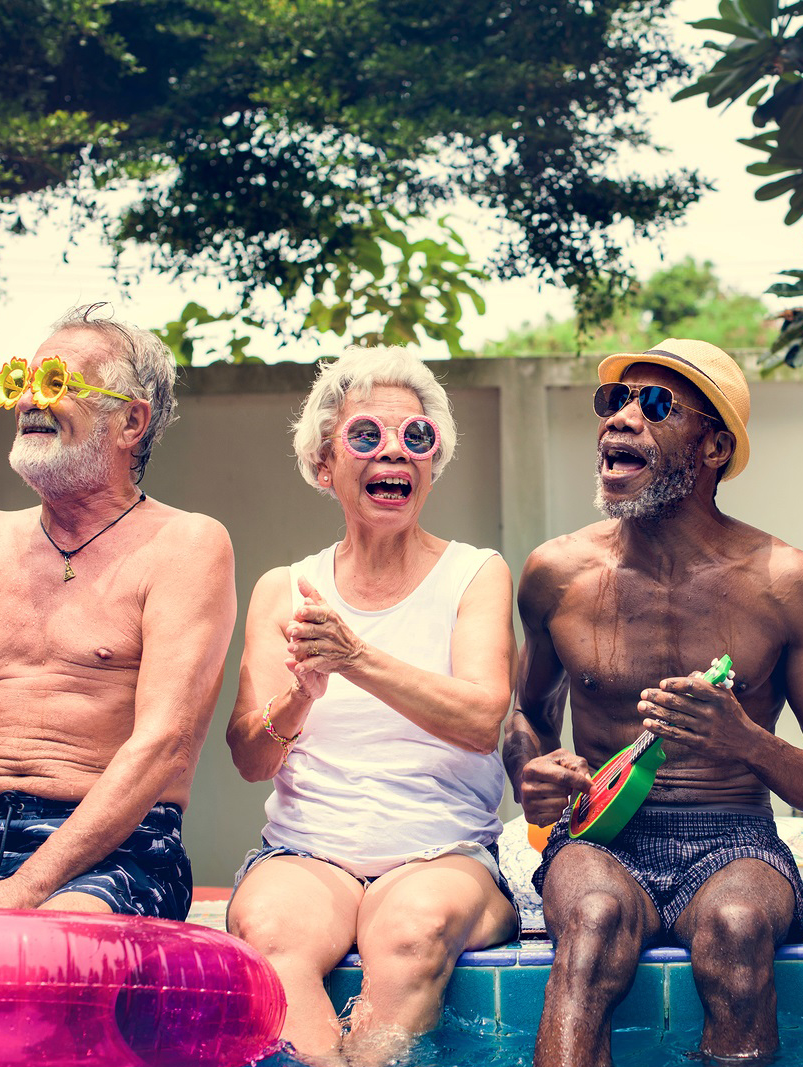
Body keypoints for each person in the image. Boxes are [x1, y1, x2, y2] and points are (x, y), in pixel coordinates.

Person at [504, 338, 803, 1067]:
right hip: (601, 838)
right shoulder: (556, 573)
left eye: (656, 404)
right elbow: (527, 718)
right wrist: (533, 774)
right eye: (615, 401)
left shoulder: (786, 581)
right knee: (594, 921)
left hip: (735, 835)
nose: (621, 419)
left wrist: (747, 741)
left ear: (714, 445)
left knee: (736, 927)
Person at [0, 304, 234, 919]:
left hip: (123, 850)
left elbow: (163, 742)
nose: (30, 401)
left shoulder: (186, 545)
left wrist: (25, 889)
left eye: (57, 383)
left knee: (61, 939)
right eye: (22, 381)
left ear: (130, 423)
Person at [225, 346, 518, 1067]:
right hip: (307, 850)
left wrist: (357, 658)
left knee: (412, 932)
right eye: (366, 436)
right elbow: (249, 757)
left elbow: (484, 720)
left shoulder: (474, 574)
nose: (395, 452)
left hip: (441, 848)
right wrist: (301, 695)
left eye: (417, 437)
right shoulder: (285, 587)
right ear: (326, 465)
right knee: (268, 930)